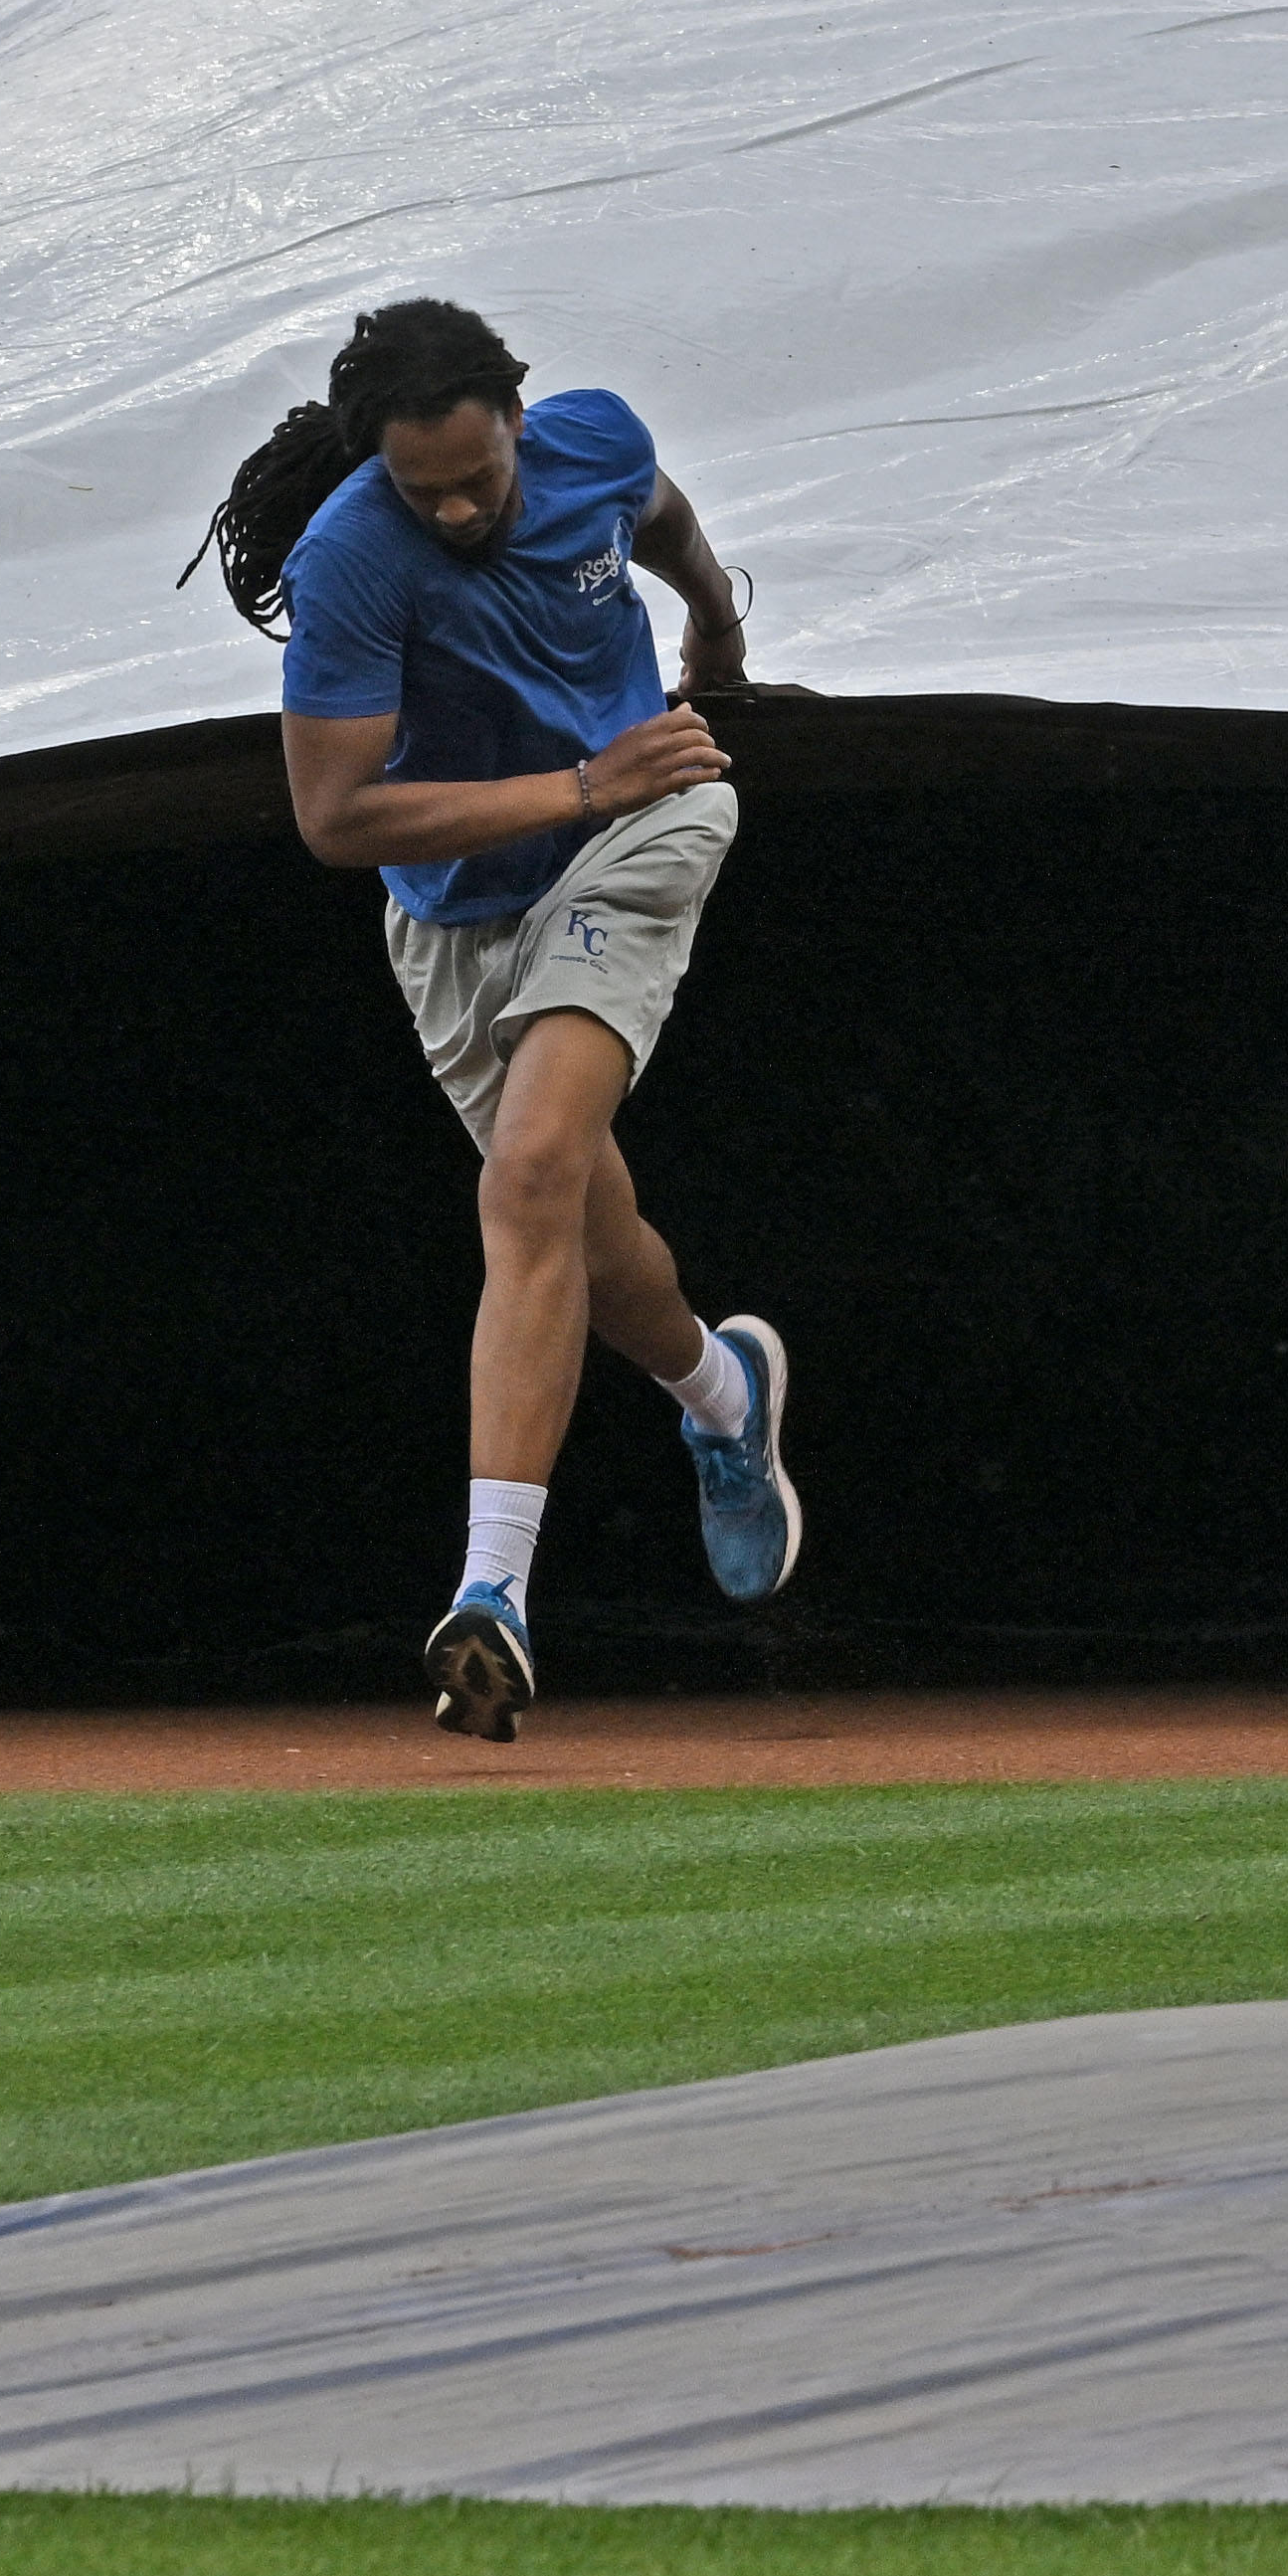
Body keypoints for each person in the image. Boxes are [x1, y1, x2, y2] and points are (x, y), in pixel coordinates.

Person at [188, 297, 804, 1741]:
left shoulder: (595, 441)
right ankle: (723, 1394)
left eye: (480, 474)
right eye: (425, 489)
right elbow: (335, 818)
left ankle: (494, 1597)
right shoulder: (351, 560)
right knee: (587, 1232)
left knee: (523, 1175)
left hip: (645, 826)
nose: (458, 507)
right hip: (465, 905)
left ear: (519, 420)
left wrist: (715, 626)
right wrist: (579, 784)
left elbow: (662, 518)